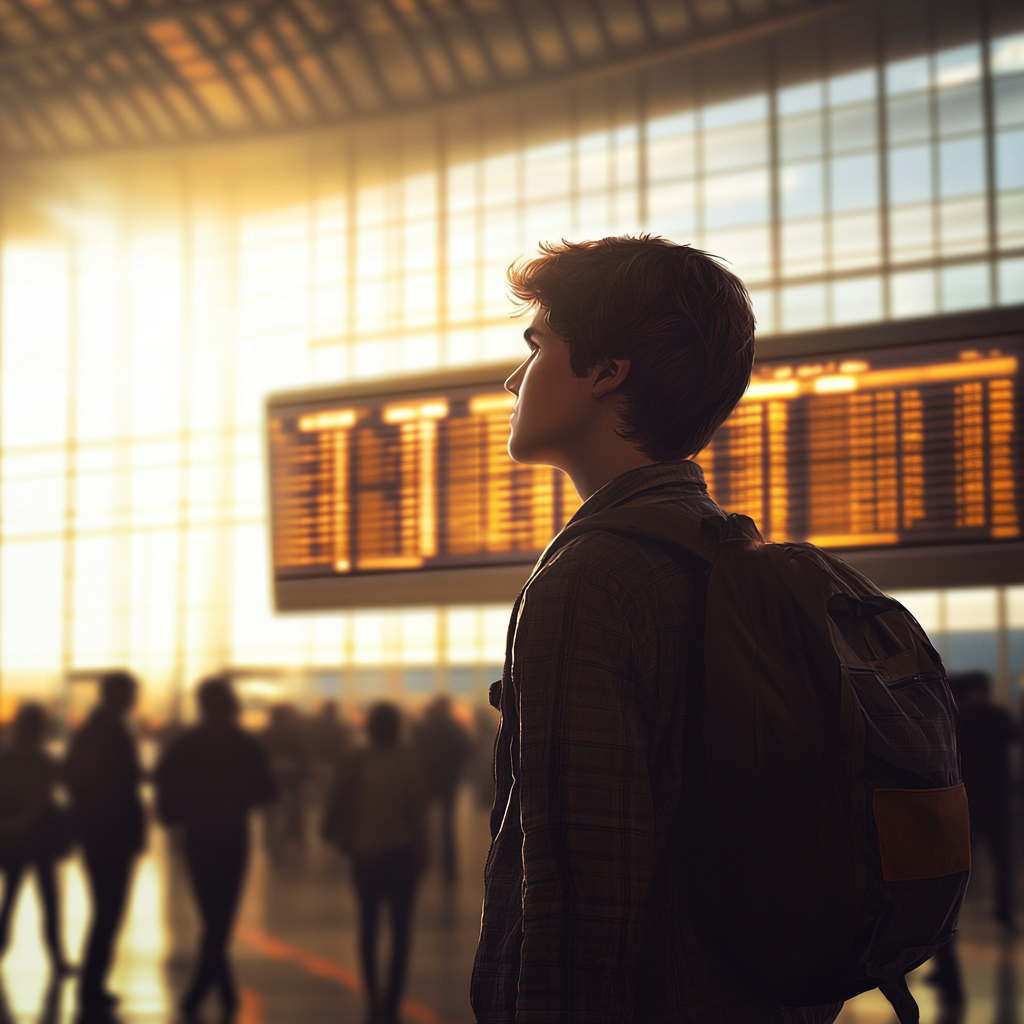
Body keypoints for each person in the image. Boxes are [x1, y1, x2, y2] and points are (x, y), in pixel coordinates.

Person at [471, 237, 842, 1022]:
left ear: (607, 372)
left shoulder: (591, 577)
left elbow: (578, 904)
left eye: (537, 346)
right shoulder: (728, 550)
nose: (513, 378)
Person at [153, 676, 276, 1021]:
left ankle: (216, 988)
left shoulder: (186, 743)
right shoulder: (244, 744)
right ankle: (212, 989)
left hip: (198, 836)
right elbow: (267, 791)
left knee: (211, 912)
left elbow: (164, 783)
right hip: (233, 834)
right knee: (221, 915)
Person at [322, 702, 425, 1024]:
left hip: (365, 856)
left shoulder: (356, 761)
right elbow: (418, 814)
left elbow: (334, 801)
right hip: (401, 855)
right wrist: (425, 855)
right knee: (401, 930)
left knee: (368, 927)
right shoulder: (407, 763)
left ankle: (372, 996)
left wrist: (333, 831)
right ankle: (392, 1000)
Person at [63, 671, 145, 1019]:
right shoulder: (111, 731)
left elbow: (71, 774)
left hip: (99, 831)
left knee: (106, 909)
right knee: (109, 910)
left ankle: (93, 984)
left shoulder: (93, 729)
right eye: (132, 693)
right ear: (118, 694)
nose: (136, 700)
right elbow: (121, 782)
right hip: (111, 833)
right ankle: (92, 986)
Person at [0, 703, 73, 974]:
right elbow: (60, 794)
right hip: (41, 839)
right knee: (50, 901)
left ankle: (2, 947)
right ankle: (57, 958)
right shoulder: (44, 761)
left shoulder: (6, 758)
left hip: (10, 839)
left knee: (9, 899)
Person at [413, 696, 471, 882]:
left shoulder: (421, 728)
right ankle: (448, 866)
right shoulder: (453, 728)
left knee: (423, 822)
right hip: (448, 780)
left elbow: (413, 752)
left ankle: (421, 862)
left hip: (426, 780)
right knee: (448, 825)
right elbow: (468, 749)